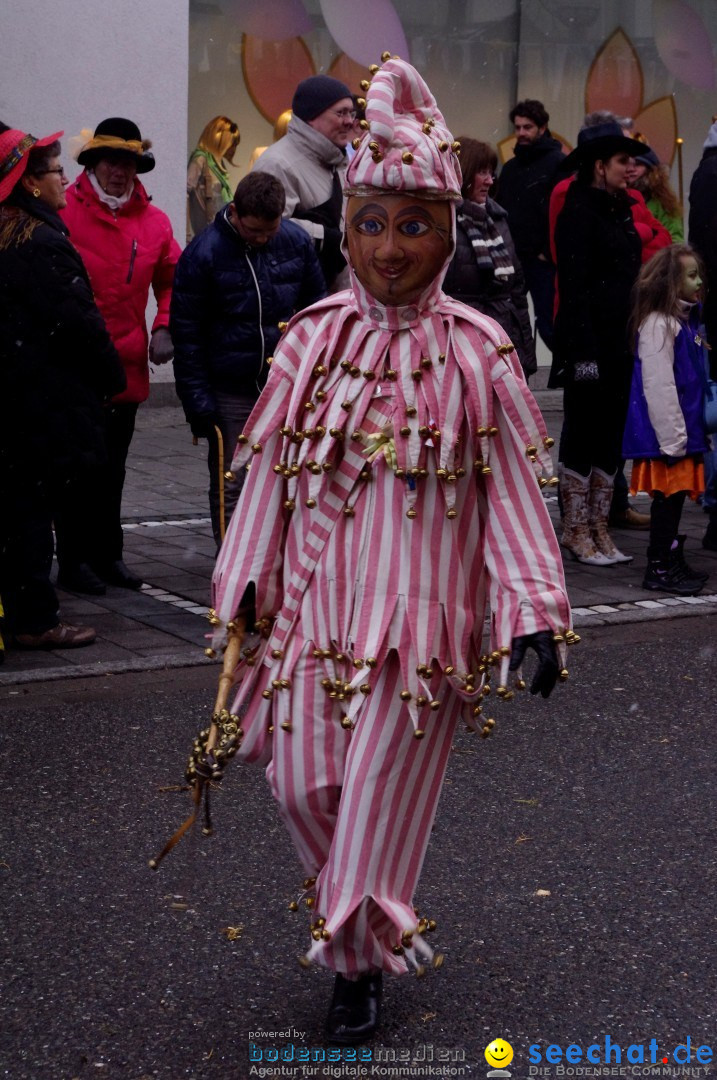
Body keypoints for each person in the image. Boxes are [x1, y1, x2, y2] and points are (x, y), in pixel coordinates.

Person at [207, 58, 572, 1044]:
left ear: (450, 231)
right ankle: (366, 923)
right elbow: (269, 480)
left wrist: (533, 611)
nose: (391, 248)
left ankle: (358, 965)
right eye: (371, 223)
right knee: (297, 785)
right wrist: (244, 587)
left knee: (372, 799)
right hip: (314, 620)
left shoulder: (479, 351)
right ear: (344, 228)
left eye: (414, 225)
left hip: (422, 630)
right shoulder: (309, 341)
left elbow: (512, 498)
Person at [0, 126, 125, 648]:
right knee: (32, 509)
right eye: (55, 171)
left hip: (15, 396)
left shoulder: (8, 233)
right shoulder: (41, 242)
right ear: (29, 182)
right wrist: (111, 377)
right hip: (39, 403)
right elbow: (79, 321)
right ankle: (36, 619)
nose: (64, 179)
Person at [56, 117, 181, 594]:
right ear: (92, 164)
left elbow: (172, 280)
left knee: (113, 467)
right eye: (111, 161)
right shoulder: (62, 212)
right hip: (73, 365)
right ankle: (73, 562)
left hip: (125, 366)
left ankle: (109, 556)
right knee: (75, 470)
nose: (119, 171)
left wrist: (165, 322)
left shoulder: (155, 222)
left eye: (128, 163)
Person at [171, 172, 326, 546]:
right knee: (231, 482)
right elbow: (187, 334)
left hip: (284, 382)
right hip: (229, 385)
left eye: (269, 232)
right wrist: (197, 402)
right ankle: (231, 569)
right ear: (236, 213)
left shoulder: (295, 241)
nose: (262, 239)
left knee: (287, 474)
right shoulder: (203, 254)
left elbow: (317, 311)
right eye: (254, 231)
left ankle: (274, 563)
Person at [549, 114, 671, 532]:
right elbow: (576, 286)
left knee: (609, 435)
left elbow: (659, 246)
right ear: (600, 165)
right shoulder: (578, 210)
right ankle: (576, 530)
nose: (630, 168)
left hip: (622, 338)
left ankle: (600, 528)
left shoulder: (622, 208)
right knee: (583, 433)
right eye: (622, 161)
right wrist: (582, 355)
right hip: (589, 342)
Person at [623, 245, 709, 594]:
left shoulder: (684, 321)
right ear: (671, 284)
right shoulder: (660, 326)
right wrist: (674, 438)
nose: (699, 281)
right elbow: (659, 385)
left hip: (682, 433)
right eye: (691, 275)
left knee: (674, 502)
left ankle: (670, 559)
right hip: (669, 437)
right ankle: (659, 565)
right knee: (667, 501)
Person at [442, 136, 537, 380]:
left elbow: (517, 290)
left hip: (501, 336)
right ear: (464, 172)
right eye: (482, 172)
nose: (489, 180)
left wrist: (525, 353)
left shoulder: (498, 219)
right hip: (458, 340)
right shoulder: (443, 220)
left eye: (491, 173)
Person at [251, 75, 354, 290]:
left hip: (335, 303)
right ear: (311, 116)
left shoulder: (339, 163)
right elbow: (261, 228)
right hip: (294, 307)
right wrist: (326, 238)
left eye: (351, 113)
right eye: (341, 113)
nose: (349, 121)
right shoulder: (277, 164)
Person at [494, 99, 564, 351]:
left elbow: (561, 212)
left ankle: (572, 376)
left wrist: (547, 250)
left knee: (548, 322)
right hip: (514, 258)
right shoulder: (511, 168)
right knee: (509, 322)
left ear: (542, 128)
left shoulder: (557, 162)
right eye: (518, 127)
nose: (522, 133)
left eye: (528, 127)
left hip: (542, 260)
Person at [186, 115, 240, 240]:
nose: (233, 149)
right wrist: (186, 234)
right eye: (233, 143)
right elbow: (185, 194)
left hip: (221, 234)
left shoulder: (218, 165)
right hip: (207, 235)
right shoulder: (201, 160)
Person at [625, 148, 684, 243]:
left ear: (650, 170)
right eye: (626, 164)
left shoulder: (663, 200)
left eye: (638, 164)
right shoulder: (616, 195)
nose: (631, 169)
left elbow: (675, 238)